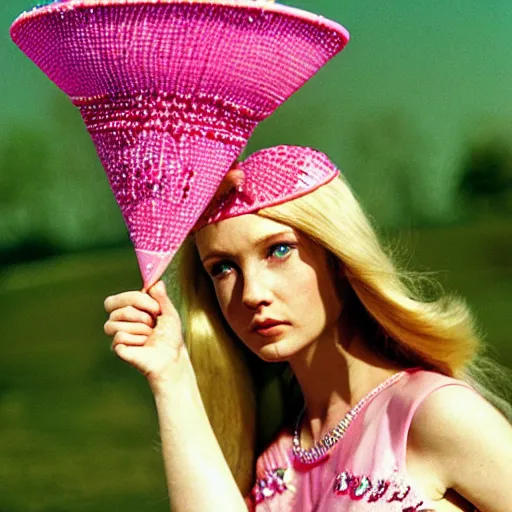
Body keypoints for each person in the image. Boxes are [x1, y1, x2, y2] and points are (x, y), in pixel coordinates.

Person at [103, 145, 512, 512]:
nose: (252, 293)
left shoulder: (433, 415)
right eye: (223, 268)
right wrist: (172, 377)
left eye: (279, 250)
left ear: (337, 259)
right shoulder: (273, 459)